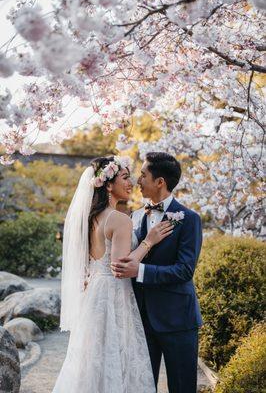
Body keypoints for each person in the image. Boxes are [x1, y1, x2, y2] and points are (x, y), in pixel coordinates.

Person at [52, 155, 173, 393]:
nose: (131, 183)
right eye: (125, 178)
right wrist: (148, 241)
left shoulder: (88, 220)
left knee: (91, 359)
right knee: (117, 356)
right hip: (114, 295)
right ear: (108, 184)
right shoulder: (119, 220)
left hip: (94, 294)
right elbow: (120, 268)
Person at [111, 152, 203, 393]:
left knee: (182, 388)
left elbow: (184, 270)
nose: (137, 181)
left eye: (143, 175)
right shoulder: (135, 216)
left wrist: (139, 271)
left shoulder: (189, 220)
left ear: (160, 181)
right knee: (141, 386)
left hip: (178, 321)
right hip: (141, 320)